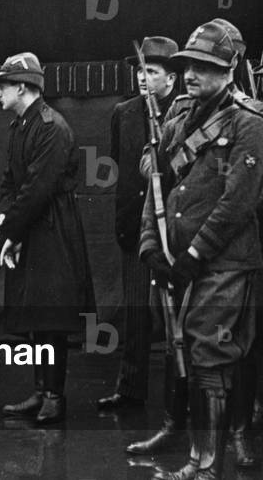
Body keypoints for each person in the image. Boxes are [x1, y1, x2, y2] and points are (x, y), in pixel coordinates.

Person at [140, 20, 263, 479]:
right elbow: (157, 188)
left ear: (229, 69)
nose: (191, 74)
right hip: (180, 261)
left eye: (204, 67)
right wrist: (152, 246)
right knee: (191, 351)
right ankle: (198, 460)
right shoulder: (179, 117)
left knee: (210, 355)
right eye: (187, 66)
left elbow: (238, 202)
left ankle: (205, 466)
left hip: (225, 262)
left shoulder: (250, 123)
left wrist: (194, 257)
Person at [0, 52, 95, 425]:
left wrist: (11, 228)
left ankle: (54, 396)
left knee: (51, 316)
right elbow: (9, 181)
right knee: (35, 314)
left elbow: (38, 188)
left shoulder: (52, 127)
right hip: (32, 227)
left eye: (2, 85)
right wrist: (4, 218)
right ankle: (39, 390)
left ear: (23, 86)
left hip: (52, 230)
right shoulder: (19, 126)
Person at [97, 39, 184, 443]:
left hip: (176, 231)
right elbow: (122, 167)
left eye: (152, 71)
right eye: (140, 71)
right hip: (136, 223)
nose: (143, 78)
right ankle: (130, 390)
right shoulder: (124, 113)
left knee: (176, 320)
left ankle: (179, 399)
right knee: (134, 310)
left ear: (172, 77)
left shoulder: (186, 113)